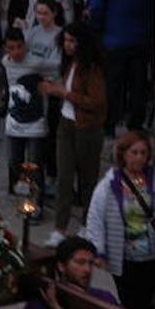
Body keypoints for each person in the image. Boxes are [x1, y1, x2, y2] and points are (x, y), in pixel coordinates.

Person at [85, 131, 155, 309]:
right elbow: (95, 219)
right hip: (125, 259)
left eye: (143, 153)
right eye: (134, 152)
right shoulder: (109, 184)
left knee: (153, 302)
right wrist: (98, 250)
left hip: (154, 257)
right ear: (123, 154)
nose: (139, 158)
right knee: (131, 305)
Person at [41, 23, 106, 246]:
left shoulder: (92, 69)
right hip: (66, 124)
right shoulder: (70, 64)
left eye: (72, 41)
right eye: (66, 41)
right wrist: (54, 89)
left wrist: (65, 93)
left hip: (87, 128)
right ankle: (60, 228)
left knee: (88, 180)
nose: (68, 45)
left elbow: (96, 102)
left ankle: (88, 226)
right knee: (64, 179)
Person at [88, 0, 155, 133]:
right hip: (142, 42)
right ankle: (135, 123)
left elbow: (95, 10)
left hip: (114, 42)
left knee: (113, 85)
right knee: (138, 85)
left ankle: (109, 122)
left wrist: (99, 30)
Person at [0, 31, 51, 200]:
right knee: (14, 160)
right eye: (11, 48)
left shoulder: (37, 63)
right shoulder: (5, 63)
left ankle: (37, 199)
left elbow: (53, 72)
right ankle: (19, 189)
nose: (17, 52)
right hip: (14, 120)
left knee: (34, 163)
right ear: (6, 49)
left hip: (35, 121)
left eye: (20, 47)